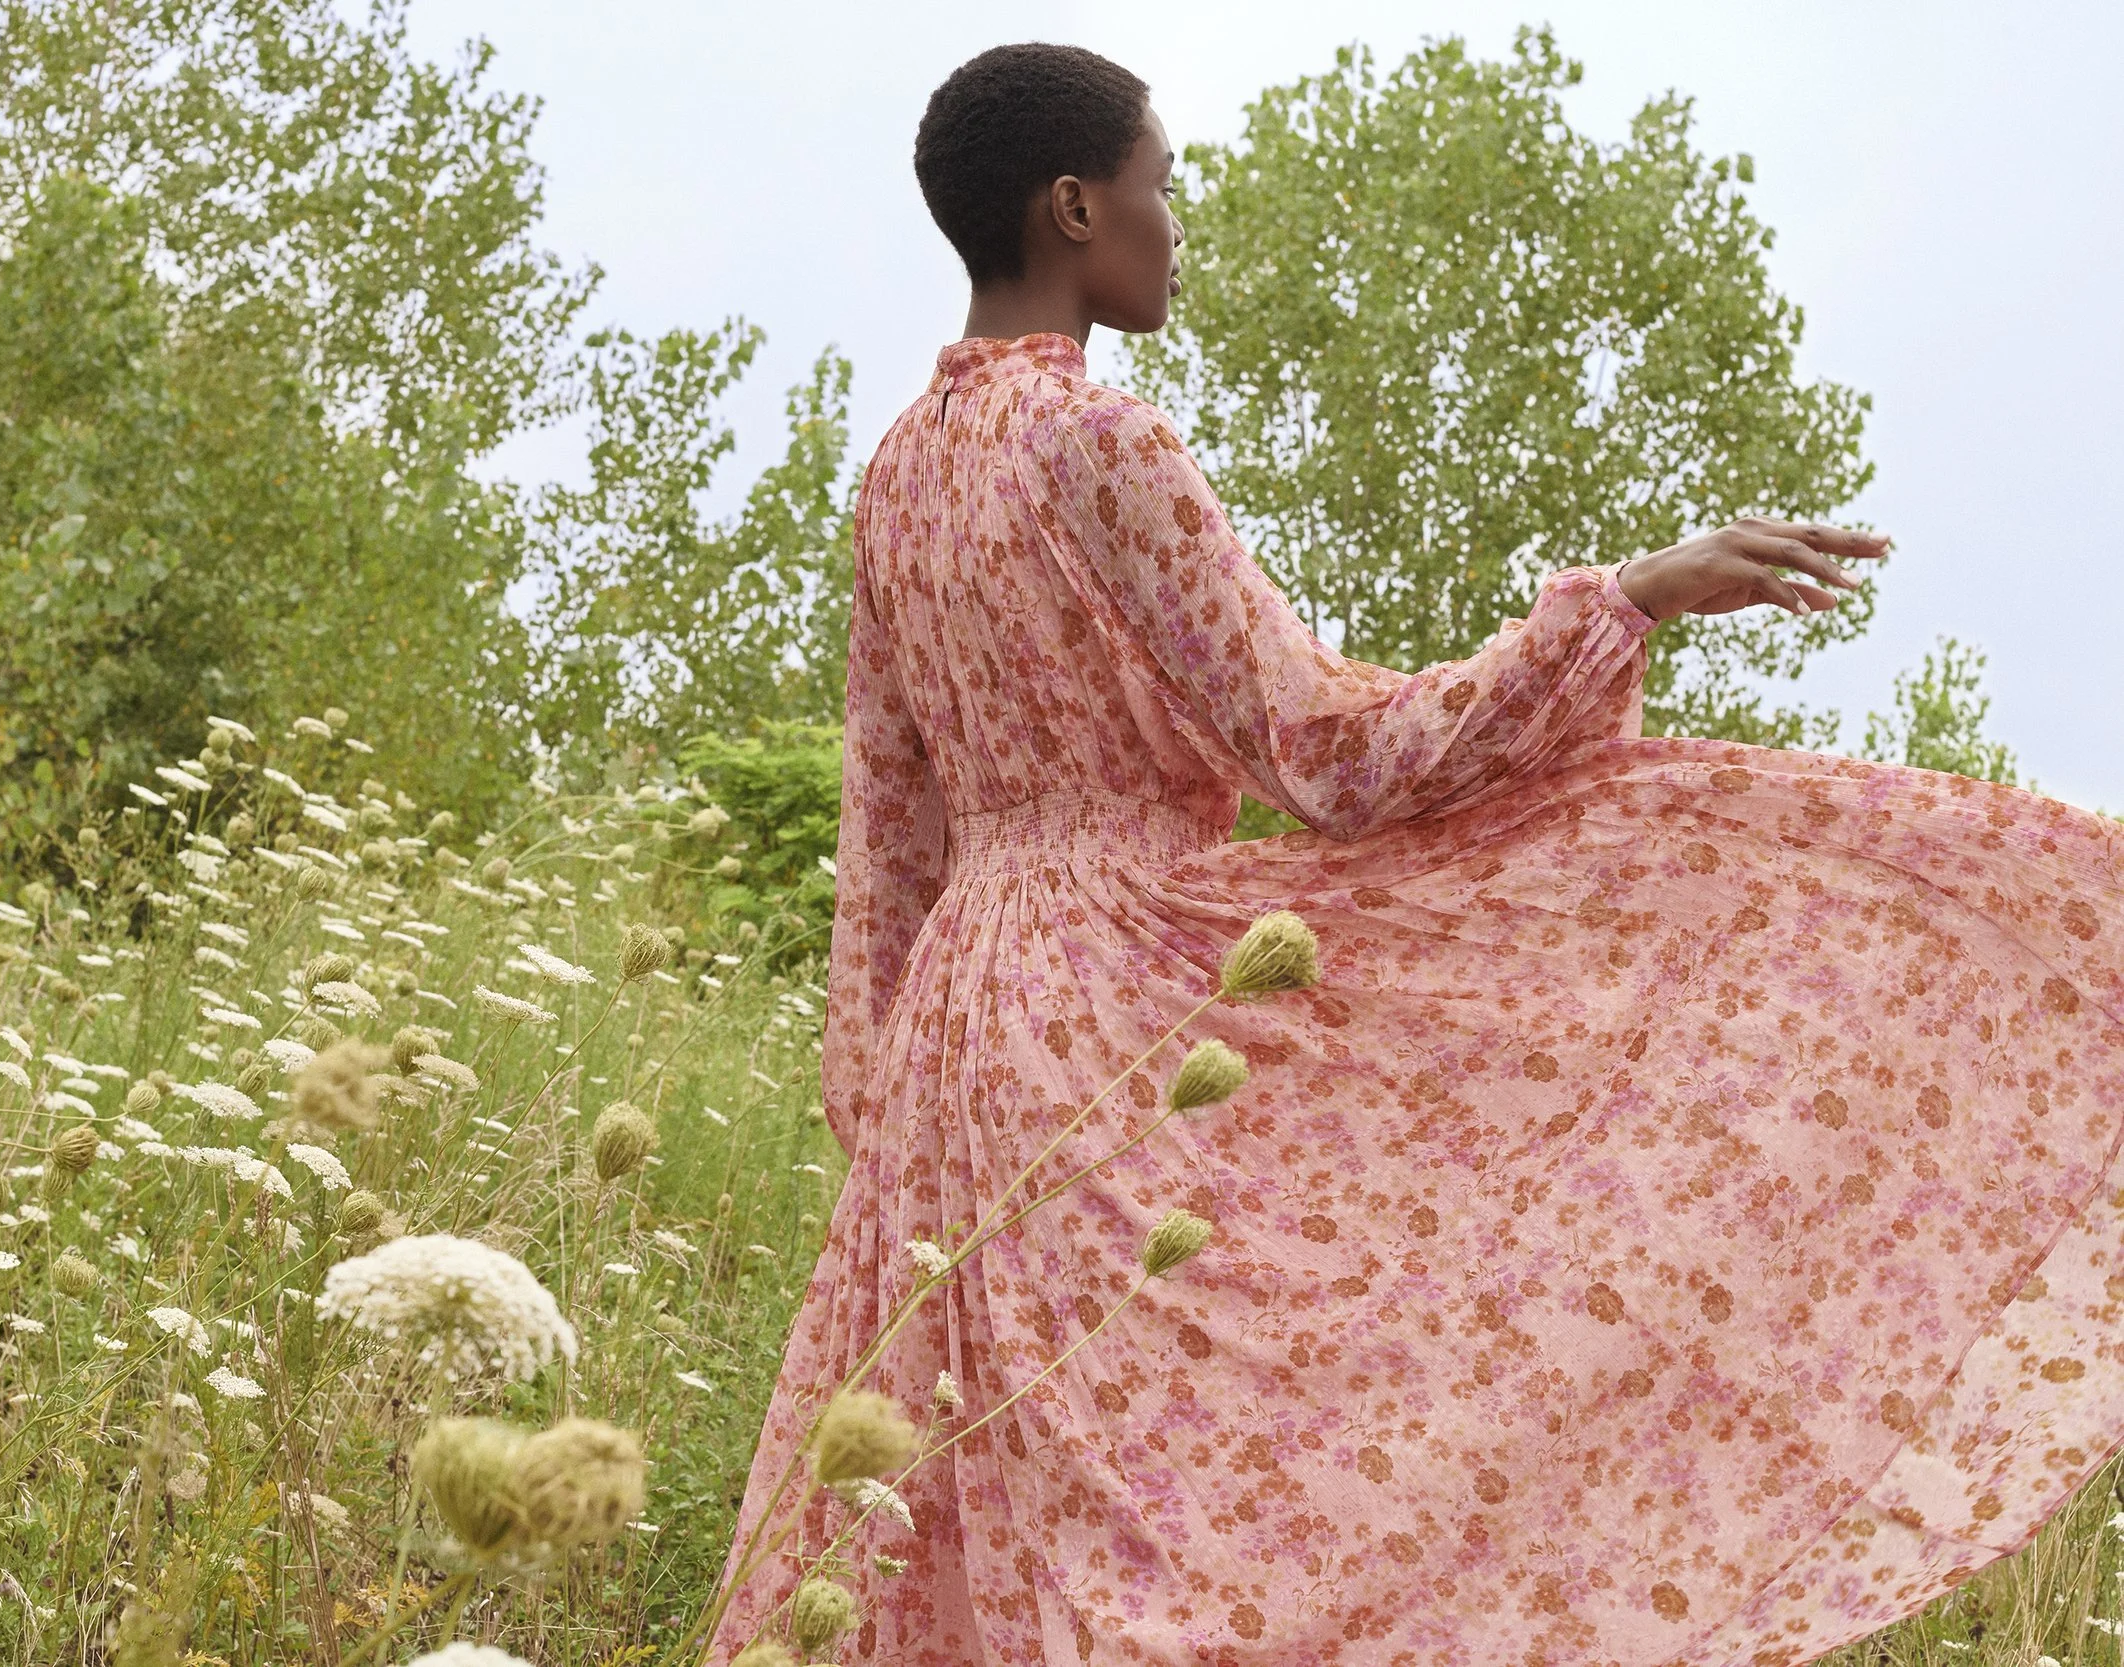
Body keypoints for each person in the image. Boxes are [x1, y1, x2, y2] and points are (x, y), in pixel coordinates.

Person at [702, 41, 2124, 1667]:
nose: (1176, 225)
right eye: (1161, 188)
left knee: (1000, 1476)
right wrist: (1624, 599)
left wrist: (884, 1092)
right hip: (1108, 999)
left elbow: (889, 839)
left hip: (962, 1025)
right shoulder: (1102, 446)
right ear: (1075, 203)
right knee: (1162, 1500)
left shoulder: (895, 475)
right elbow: (1328, 752)